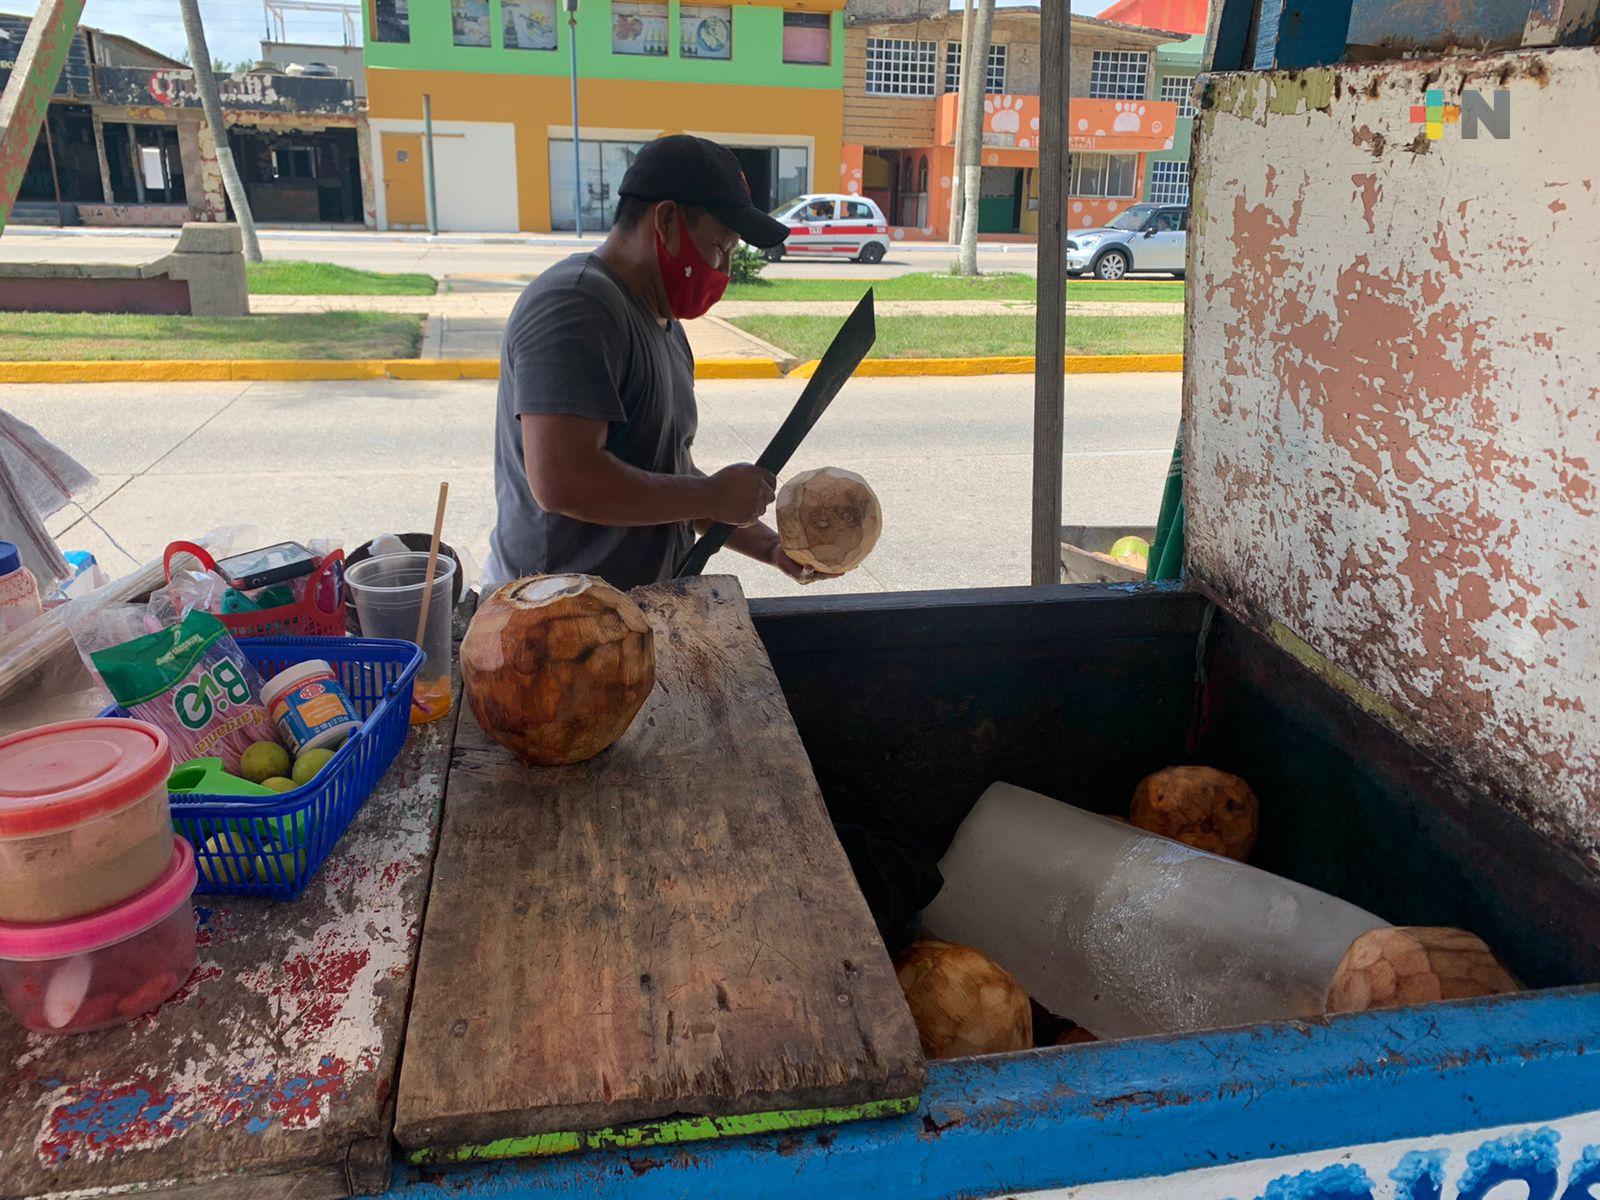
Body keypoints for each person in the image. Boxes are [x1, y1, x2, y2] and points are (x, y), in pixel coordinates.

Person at [485, 135, 814, 590]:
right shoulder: (575, 304)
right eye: (720, 246)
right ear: (666, 221)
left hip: (633, 613)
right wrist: (712, 495)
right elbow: (563, 480)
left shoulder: (663, 324)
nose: (722, 269)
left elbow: (666, 477)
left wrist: (771, 548)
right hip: (554, 622)